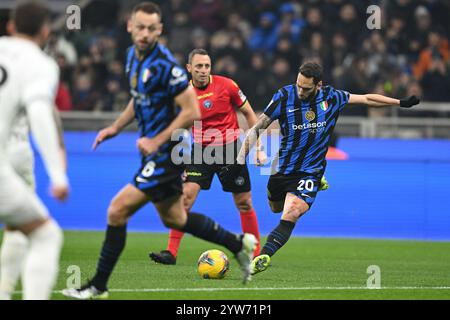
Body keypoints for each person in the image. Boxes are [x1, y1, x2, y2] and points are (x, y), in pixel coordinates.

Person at [62, 2, 257, 300]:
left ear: (160, 30)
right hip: (162, 152)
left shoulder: (166, 67)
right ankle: (237, 244)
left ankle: (98, 286)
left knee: (117, 210)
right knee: (176, 218)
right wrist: (115, 127)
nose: (145, 34)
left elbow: (190, 111)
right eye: (140, 27)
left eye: (151, 29)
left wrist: (157, 140)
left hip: (167, 152)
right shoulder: (132, 57)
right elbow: (138, 98)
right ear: (130, 26)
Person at [220, 62, 420, 275]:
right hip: (282, 169)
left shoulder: (331, 97)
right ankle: (314, 185)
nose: (300, 91)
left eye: (306, 88)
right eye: (298, 85)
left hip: (310, 170)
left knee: (292, 211)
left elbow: (367, 98)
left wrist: (399, 102)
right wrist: (238, 161)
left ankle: (265, 255)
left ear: (319, 85)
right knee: (275, 207)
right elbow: (257, 128)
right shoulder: (284, 96)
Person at [149, 49, 266, 265]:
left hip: (231, 149)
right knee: (184, 199)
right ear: (189, 68)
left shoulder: (227, 85)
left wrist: (258, 147)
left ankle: (256, 252)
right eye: (199, 66)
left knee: (244, 203)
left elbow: (250, 114)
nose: (203, 71)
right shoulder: (182, 93)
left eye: (207, 66)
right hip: (201, 151)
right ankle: (171, 252)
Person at [0, 1, 69, 300]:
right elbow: (41, 116)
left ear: (11, 26)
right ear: (45, 31)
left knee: (19, 224)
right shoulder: (41, 64)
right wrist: (57, 174)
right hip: (13, 154)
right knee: (43, 233)